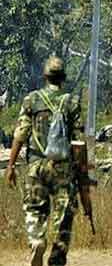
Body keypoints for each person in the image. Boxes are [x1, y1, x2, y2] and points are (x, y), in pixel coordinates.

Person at [5, 56, 82, 266]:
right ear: (63, 78)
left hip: (36, 166)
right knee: (63, 218)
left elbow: (20, 135)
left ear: (45, 76)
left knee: (33, 209)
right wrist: (80, 173)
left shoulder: (32, 99)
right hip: (63, 169)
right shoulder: (71, 102)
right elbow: (78, 142)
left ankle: (37, 240)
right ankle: (56, 259)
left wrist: (10, 166)